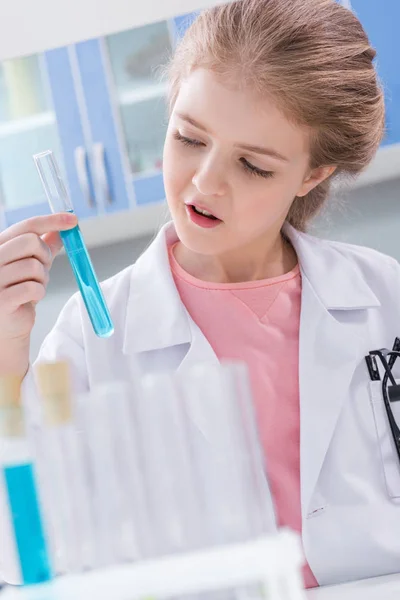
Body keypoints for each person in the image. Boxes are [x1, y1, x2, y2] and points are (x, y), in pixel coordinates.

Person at [0, 0, 398, 588]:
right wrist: (6, 360)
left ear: (312, 174)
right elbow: (21, 555)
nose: (206, 182)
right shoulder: (93, 336)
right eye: (189, 137)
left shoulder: (383, 296)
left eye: (254, 166)